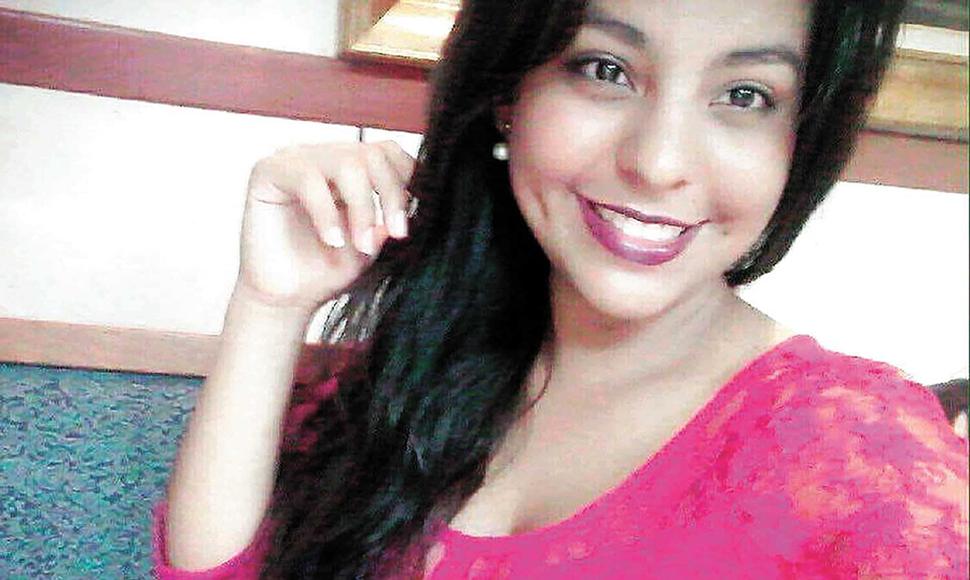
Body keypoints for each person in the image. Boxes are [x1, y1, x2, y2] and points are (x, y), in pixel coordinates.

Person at [153, 0, 970, 577]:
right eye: (605, 69)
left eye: (745, 95)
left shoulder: (857, 451)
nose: (658, 163)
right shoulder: (423, 366)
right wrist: (270, 305)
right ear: (508, 93)